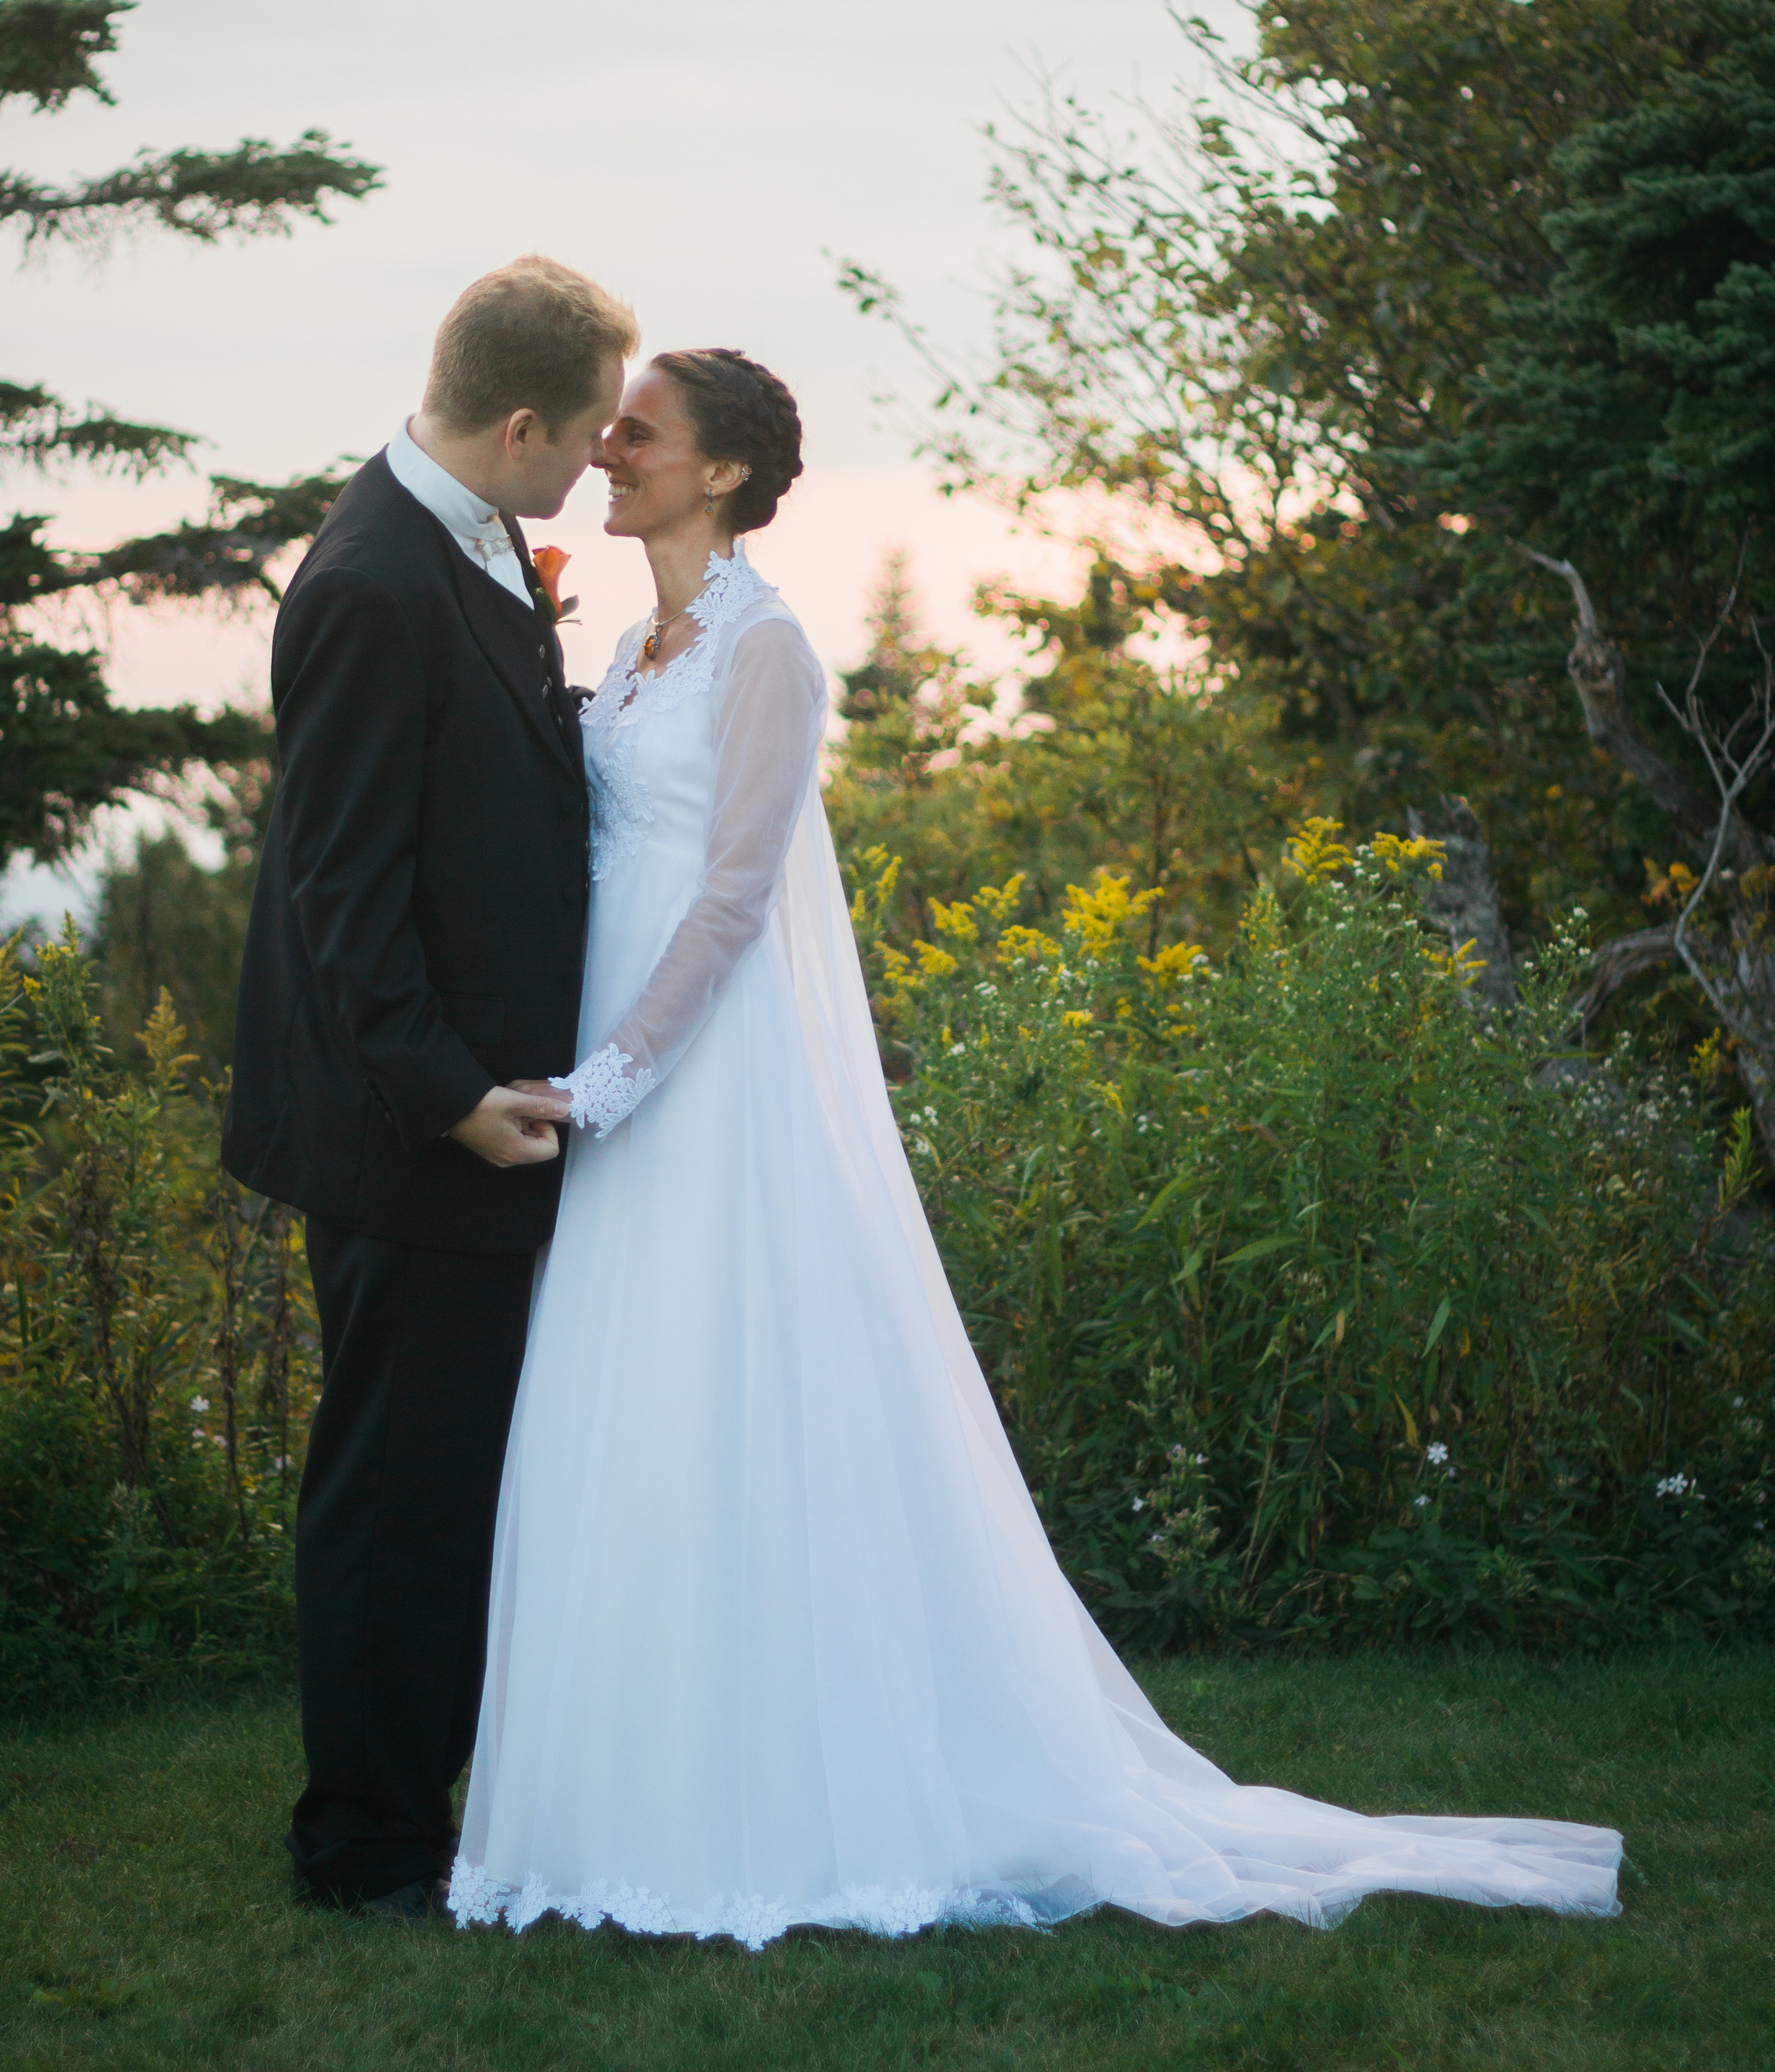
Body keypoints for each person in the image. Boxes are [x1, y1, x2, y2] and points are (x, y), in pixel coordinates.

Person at [448, 347, 1623, 1946]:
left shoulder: (766, 649)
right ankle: (629, 1787)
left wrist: (607, 1082)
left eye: (636, 432)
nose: (606, 448)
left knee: (740, 1394)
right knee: (634, 1403)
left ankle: (787, 1798)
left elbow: (732, 899)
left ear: (719, 473)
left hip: (702, 1082)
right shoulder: (629, 644)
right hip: (616, 1051)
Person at [223, 254, 628, 1917]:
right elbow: (339, 892)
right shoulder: (372, 580)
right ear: (522, 421)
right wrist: (451, 1094)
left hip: (472, 1118)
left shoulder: (468, 545)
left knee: (452, 1475)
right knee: (397, 1488)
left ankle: (425, 1800)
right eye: (593, 430)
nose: (602, 460)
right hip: (411, 1135)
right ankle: (365, 1842)